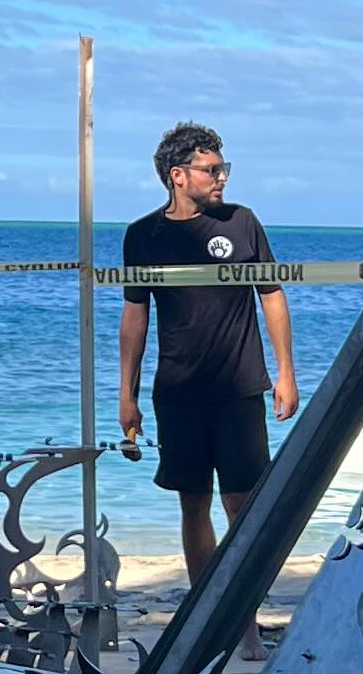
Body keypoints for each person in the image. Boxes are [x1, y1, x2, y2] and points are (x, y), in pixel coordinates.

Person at [116, 125, 299, 595]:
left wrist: (286, 375)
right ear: (179, 176)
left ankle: (244, 618)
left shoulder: (241, 222)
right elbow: (135, 317)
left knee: (242, 504)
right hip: (178, 392)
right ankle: (204, 612)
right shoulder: (144, 235)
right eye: (212, 170)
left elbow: (272, 294)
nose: (222, 178)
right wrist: (126, 396)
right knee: (193, 505)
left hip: (239, 389)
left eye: (223, 169)